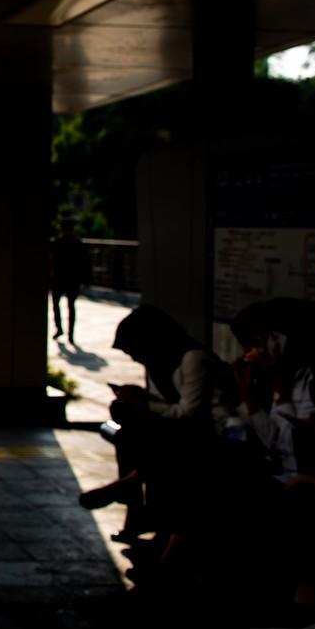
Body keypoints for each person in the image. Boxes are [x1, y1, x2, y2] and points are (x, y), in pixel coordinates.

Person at [78, 306, 235, 550]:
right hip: (183, 429)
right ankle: (134, 495)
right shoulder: (161, 362)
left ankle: (132, 497)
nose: (134, 358)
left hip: (211, 431)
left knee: (146, 442)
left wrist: (145, 406)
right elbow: (166, 407)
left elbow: (190, 412)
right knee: (130, 431)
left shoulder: (192, 359)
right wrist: (139, 399)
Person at [49, 217, 88, 344]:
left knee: (56, 305)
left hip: (59, 277)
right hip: (72, 278)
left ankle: (59, 328)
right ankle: (70, 334)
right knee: (71, 306)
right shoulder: (78, 242)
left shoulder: (57, 242)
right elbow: (84, 262)